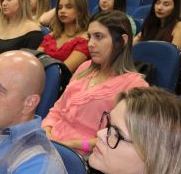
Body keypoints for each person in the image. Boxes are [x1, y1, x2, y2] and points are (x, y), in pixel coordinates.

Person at [42, 10, 148, 155]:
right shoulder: (85, 68)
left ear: (122, 41)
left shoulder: (135, 86)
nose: (90, 44)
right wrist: (46, 129)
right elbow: (58, 108)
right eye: (89, 37)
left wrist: (72, 145)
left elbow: (119, 139)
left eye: (99, 36)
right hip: (52, 143)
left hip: (85, 156)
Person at [38, 0, 90, 73]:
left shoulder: (84, 39)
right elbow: (36, 59)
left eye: (68, 7)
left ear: (80, 11)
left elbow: (65, 70)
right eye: (60, 7)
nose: (62, 11)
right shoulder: (52, 35)